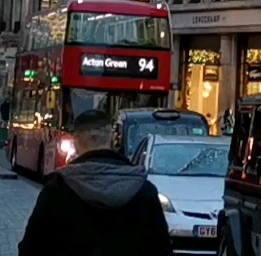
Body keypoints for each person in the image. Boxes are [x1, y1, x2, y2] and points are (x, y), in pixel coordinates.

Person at [16, 109, 171, 256]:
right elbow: (161, 248)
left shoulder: (57, 190)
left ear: (75, 142)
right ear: (112, 139)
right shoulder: (144, 190)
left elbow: (31, 248)